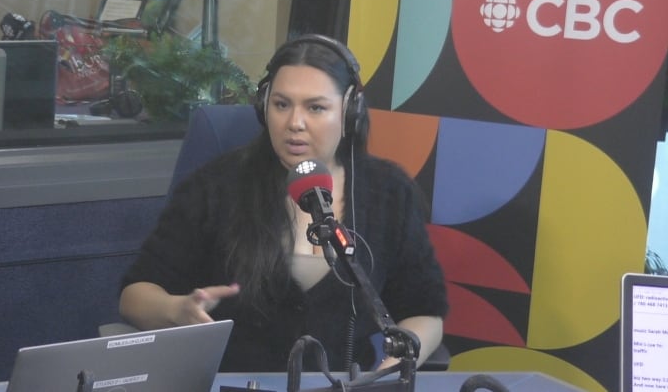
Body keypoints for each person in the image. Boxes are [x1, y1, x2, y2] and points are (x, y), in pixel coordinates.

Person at [119, 34, 448, 372]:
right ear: (264, 107)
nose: (294, 123)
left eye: (316, 107)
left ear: (349, 111)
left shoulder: (389, 192)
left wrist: (388, 372)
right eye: (281, 104)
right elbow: (135, 294)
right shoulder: (215, 186)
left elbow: (424, 310)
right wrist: (175, 310)